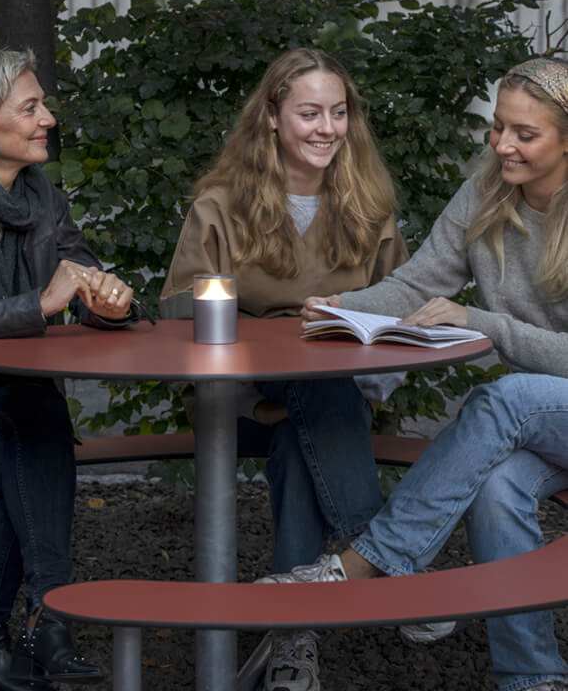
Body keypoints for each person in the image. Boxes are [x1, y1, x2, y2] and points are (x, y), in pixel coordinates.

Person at [261, 57, 568, 691]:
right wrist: (343, 308)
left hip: (538, 406)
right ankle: (533, 677)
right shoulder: (487, 192)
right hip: (549, 424)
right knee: (497, 488)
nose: (503, 144)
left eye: (525, 134)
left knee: (502, 398)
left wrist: (491, 325)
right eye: (498, 127)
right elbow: (417, 284)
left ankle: (372, 560)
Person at [160, 47, 408, 691]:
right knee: (311, 375)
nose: (327, 127)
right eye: (308, 113)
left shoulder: (371, 206)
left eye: (338, 112)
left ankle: (292, 641)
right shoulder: (221, 205)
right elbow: (179, 315)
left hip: (336, 398)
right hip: (237, 392)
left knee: (309, 423)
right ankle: (384, 553)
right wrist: (264, 322)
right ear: (271, 116)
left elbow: (397, 312)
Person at [0, 40, 140, 691]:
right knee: (40, 466)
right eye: (32, 106)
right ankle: (2, 625)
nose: (49, 118)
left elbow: (82, 274)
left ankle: (30, 624)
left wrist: (112, 299)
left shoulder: (43, 200)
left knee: (38, 423)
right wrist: (35, 305)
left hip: (11, 399)